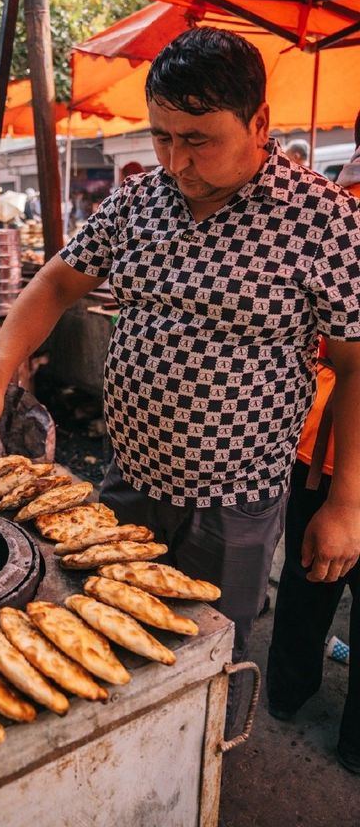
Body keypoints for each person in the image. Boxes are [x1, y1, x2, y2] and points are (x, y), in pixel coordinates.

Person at [0, 28, 360, 731]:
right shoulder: (138, 203)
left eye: (197, 139)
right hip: (129, 479)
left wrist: (346, 503)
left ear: (260, 123)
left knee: (209, 657)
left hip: (234, 500)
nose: (176, 161)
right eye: (163, 137)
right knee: (108, 638)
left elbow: (357, 367)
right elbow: (52, 285)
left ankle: (204, 766)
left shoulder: (322, 217)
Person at [267, 118, 360, 773]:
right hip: (327, 447)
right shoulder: (341, 213)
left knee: (308, 584)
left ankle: (285, 694)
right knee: (309, 578)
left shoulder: (338, 206)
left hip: (324, 446)